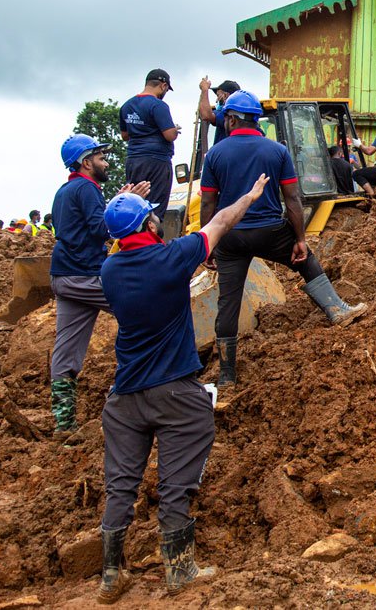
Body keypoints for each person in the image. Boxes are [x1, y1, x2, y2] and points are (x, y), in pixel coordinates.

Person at [95, 176, 267, 599]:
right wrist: (249, 196)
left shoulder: (109, 270)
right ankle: (179, 568)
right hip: (173, 393)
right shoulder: (172, 258)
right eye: (152, 217)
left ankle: (111, 573)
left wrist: (126, 206)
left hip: (124, 398)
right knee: (176, 480)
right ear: (151, 226)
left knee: (120, 484)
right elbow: (221, 223)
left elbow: (124, 240)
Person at [200, 91, 367, 387]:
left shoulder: (216, 154)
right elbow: (292, 197)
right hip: (269, 231)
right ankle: (337, 310)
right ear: (255, 119)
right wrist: (299, 238)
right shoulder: (276, 151)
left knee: (229, 302)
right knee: (306, 262)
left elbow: (208, 204)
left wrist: (207, 243)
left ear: (231, 119)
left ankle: (227, 373)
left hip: (230, 238)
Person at [49, 133, 151, 434]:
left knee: (66, 351)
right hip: (86, 275)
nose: (106, 162)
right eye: (101, 158)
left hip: (63, 276)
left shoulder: (65, 191)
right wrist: (131, 204)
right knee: (146, 316)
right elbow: (103, 229)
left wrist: (118, 200)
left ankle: (64, 424)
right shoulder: (88, 188)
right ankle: (128, 397)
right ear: (85, 162)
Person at [120, 68, 181, 220]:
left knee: (136, 203)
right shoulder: (158, 105)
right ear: (163, 86)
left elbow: (125, 135)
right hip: (156, 162)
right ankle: (151, 239)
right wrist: (175, 129)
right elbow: (169, 135)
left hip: (134, 161)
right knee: (155, 209)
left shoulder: (127, 105)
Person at [198, 77, 241, 146]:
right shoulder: (244, 114)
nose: (217, 99)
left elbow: (205, 115)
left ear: (226, 95)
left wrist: (204, 90)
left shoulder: (228, 113)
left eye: (218, 95)